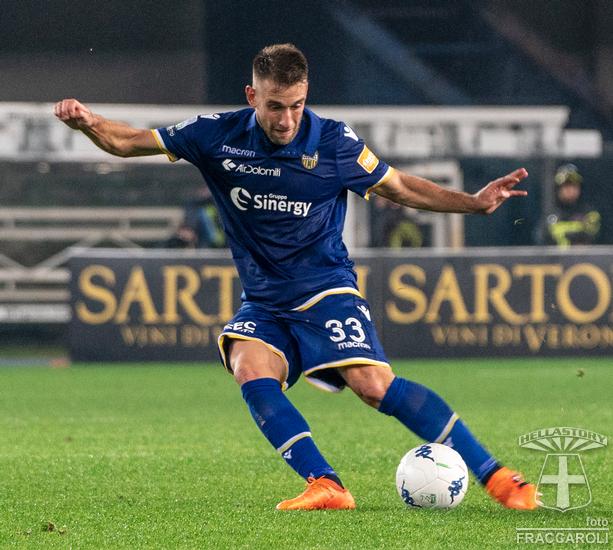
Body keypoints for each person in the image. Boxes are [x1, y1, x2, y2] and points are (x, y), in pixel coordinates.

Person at [54, 43, 538, 511]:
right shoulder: (216, 134)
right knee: (248, 366)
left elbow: (399, 186)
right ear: (252, 97)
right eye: (275, 106)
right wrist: (90, 123)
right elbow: (128, 142)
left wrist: (472, 203)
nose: (287, 119)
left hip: (325, 289)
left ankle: (497, 476)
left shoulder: (334, 142)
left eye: (297, 105)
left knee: (372, 384)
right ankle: (326, 484)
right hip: (265, 300)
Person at [538, 163, 601, 247]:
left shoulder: (590, 213)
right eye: (566, 186)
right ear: (558, 189)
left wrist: (566, 232)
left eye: (574, 185)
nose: (570, 190)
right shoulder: (550, 215)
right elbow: (543, 239)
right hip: (556, 255)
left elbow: (592, 235)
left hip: (585, 255)